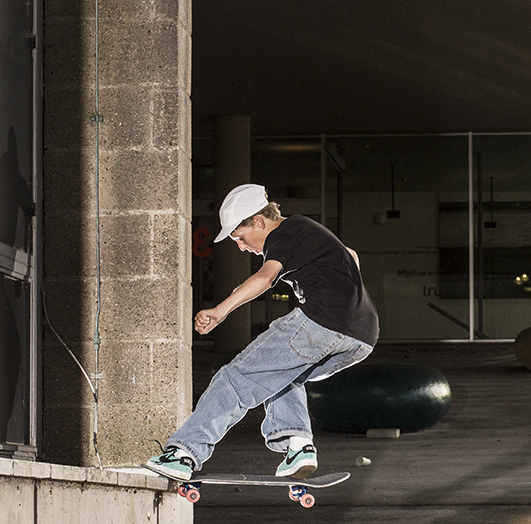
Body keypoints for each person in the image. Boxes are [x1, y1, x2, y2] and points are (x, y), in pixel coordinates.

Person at [145, 183, 378, 482]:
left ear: (259, 220)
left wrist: (220, 311)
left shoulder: (282, 233)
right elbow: (352, 255)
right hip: (361, 336)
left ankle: (184, 453)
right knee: (282, 374)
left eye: (240, 238)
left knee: (235, 379)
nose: (242, 247)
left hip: (322, 322)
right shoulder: (309, 231)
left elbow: (265, 277)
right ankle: (298, 445)